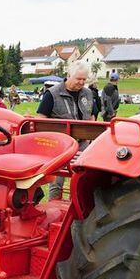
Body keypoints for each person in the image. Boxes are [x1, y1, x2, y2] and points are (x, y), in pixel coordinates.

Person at [37, 62, 96, 199]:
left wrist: (91, 134)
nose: (81, 82)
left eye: (84, 79)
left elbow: (92, 115)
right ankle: (54, 207)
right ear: (69, 75)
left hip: (82, 144)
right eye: (78, 79)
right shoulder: (52, 94)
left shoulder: (88, 94)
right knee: (57, 181)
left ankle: (75, 208)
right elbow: (41, 120)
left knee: (81, 180)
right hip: (60, 146)